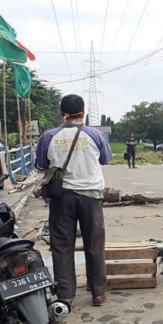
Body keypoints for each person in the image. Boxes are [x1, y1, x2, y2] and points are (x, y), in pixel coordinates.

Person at [36, 95, 112, 307]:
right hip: (91, 197)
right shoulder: (95, 135)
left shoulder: (49, 136)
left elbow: (41, 164)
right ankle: (98, 293)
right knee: (95, 245)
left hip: (62, 197)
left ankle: (65, 294)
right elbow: (105, 159)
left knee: (61, 246)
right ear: (83, 113)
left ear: (62, 113)